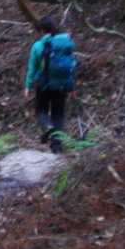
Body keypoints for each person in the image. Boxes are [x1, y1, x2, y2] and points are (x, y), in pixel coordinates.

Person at [24, 16, 76, 154]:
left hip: (44, 85)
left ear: (42, 30)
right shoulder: (64, 43)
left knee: (41, 110)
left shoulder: (37, 46)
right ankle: (57, 148)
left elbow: (32, 68)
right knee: (58, 114)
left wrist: (28, 85)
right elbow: (71, 65)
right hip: (61, 85)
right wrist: (72, 86)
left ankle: (47, 126)